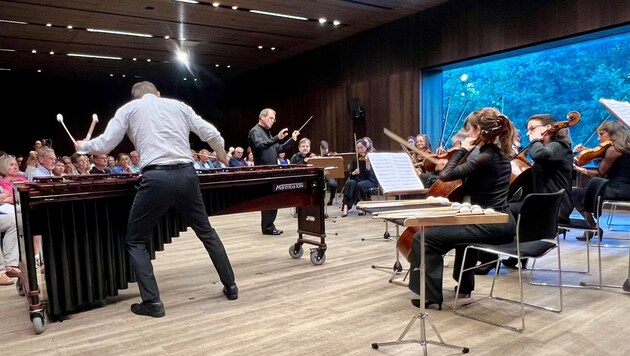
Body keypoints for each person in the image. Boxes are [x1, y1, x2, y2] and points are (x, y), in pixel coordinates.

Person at [75, 81, 237, 318]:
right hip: (187, 175)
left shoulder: (129, 110)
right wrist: (222, 155)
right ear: (158, 94)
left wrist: (83, 147)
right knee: (207, 232)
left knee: (135, 240)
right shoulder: (178, 106)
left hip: (156, 178)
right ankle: (231, 286)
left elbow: (106, 145)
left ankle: (152, 301)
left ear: (135, 98)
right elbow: (211, 134)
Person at [408, 107, 517, 309]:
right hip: (499, 220)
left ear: (478, 130)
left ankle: (430, 296)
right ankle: (465, 286)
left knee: (423, 238)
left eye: (469, 129)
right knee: (460, 236)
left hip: (490, 223)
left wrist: (463, 150)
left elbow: (445, 175)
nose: (467, 134)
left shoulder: (485, 157)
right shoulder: (499, 154)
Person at [500, 114, 573, 270]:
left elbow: (540, 155)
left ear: (548, 128)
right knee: (505, 208)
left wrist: (535, 140)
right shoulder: (549, 148)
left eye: (532, 128)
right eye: (528, 130)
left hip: (553, 208)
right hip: (541, 204)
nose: (529, 133)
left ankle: (490, 258)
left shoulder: (559, 146)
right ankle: (516, 253)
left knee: (500, 213)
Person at [572, 120, 630, 240]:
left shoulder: (613, 150)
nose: (599, 139)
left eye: (601, 134)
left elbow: (599, 173)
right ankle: (592, 227)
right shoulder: (624, 147)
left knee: (575, 193)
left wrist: (577, 168)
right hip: (624, 187)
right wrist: (588, 152)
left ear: (613, 133)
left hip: (619, 189)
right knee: (586, 192)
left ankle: (592, 227)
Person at [248, 108, 299, 235]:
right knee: (267, 199)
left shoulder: (267, 133)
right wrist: (277, 137)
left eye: (274, 119)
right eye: (271, 118)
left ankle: (270, 225)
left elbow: (279, 149)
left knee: (274, 199)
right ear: (262, 117)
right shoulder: (255, 131)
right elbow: (260, 145)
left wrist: (291, 140)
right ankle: (267, 227)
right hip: (263, 170)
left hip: (272, 170)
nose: (273, 121)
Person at [341, 137, 377, 217]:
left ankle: (361, 207)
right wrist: (354, 172)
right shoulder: (355, 158)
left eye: (361, 147)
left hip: (369, 180)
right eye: (358, 148)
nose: (360, 150)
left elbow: (370, 174)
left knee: (360, 185)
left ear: (365, 147)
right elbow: (350, 174)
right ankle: (346, 206)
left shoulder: (370, 156)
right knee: (350, 183)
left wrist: (367, 162)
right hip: (358, 179)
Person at [319, 140, 338, 206]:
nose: (326, 151)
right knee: (319, 185)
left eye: (327, 149)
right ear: (320, 148)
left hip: (329, 175)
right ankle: (321, 200)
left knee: (333, 184)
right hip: (320, 175)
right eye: (324, 149)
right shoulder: (317, 157)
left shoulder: (330, 156)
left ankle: (331, 199)